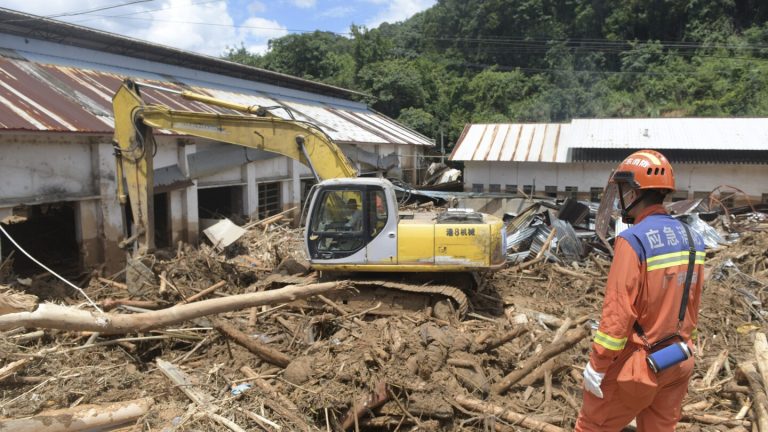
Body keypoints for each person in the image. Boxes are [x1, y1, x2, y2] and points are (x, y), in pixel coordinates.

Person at [575, 150, 706, 431]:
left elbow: (617, 314)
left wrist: (597, 366)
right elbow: (693, 303)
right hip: (680, 359)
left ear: (634, 193)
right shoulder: (693, 239)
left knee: (592, 426)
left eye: (623, 189)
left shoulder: (632, 240)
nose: (621, 197)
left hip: (640, 365)